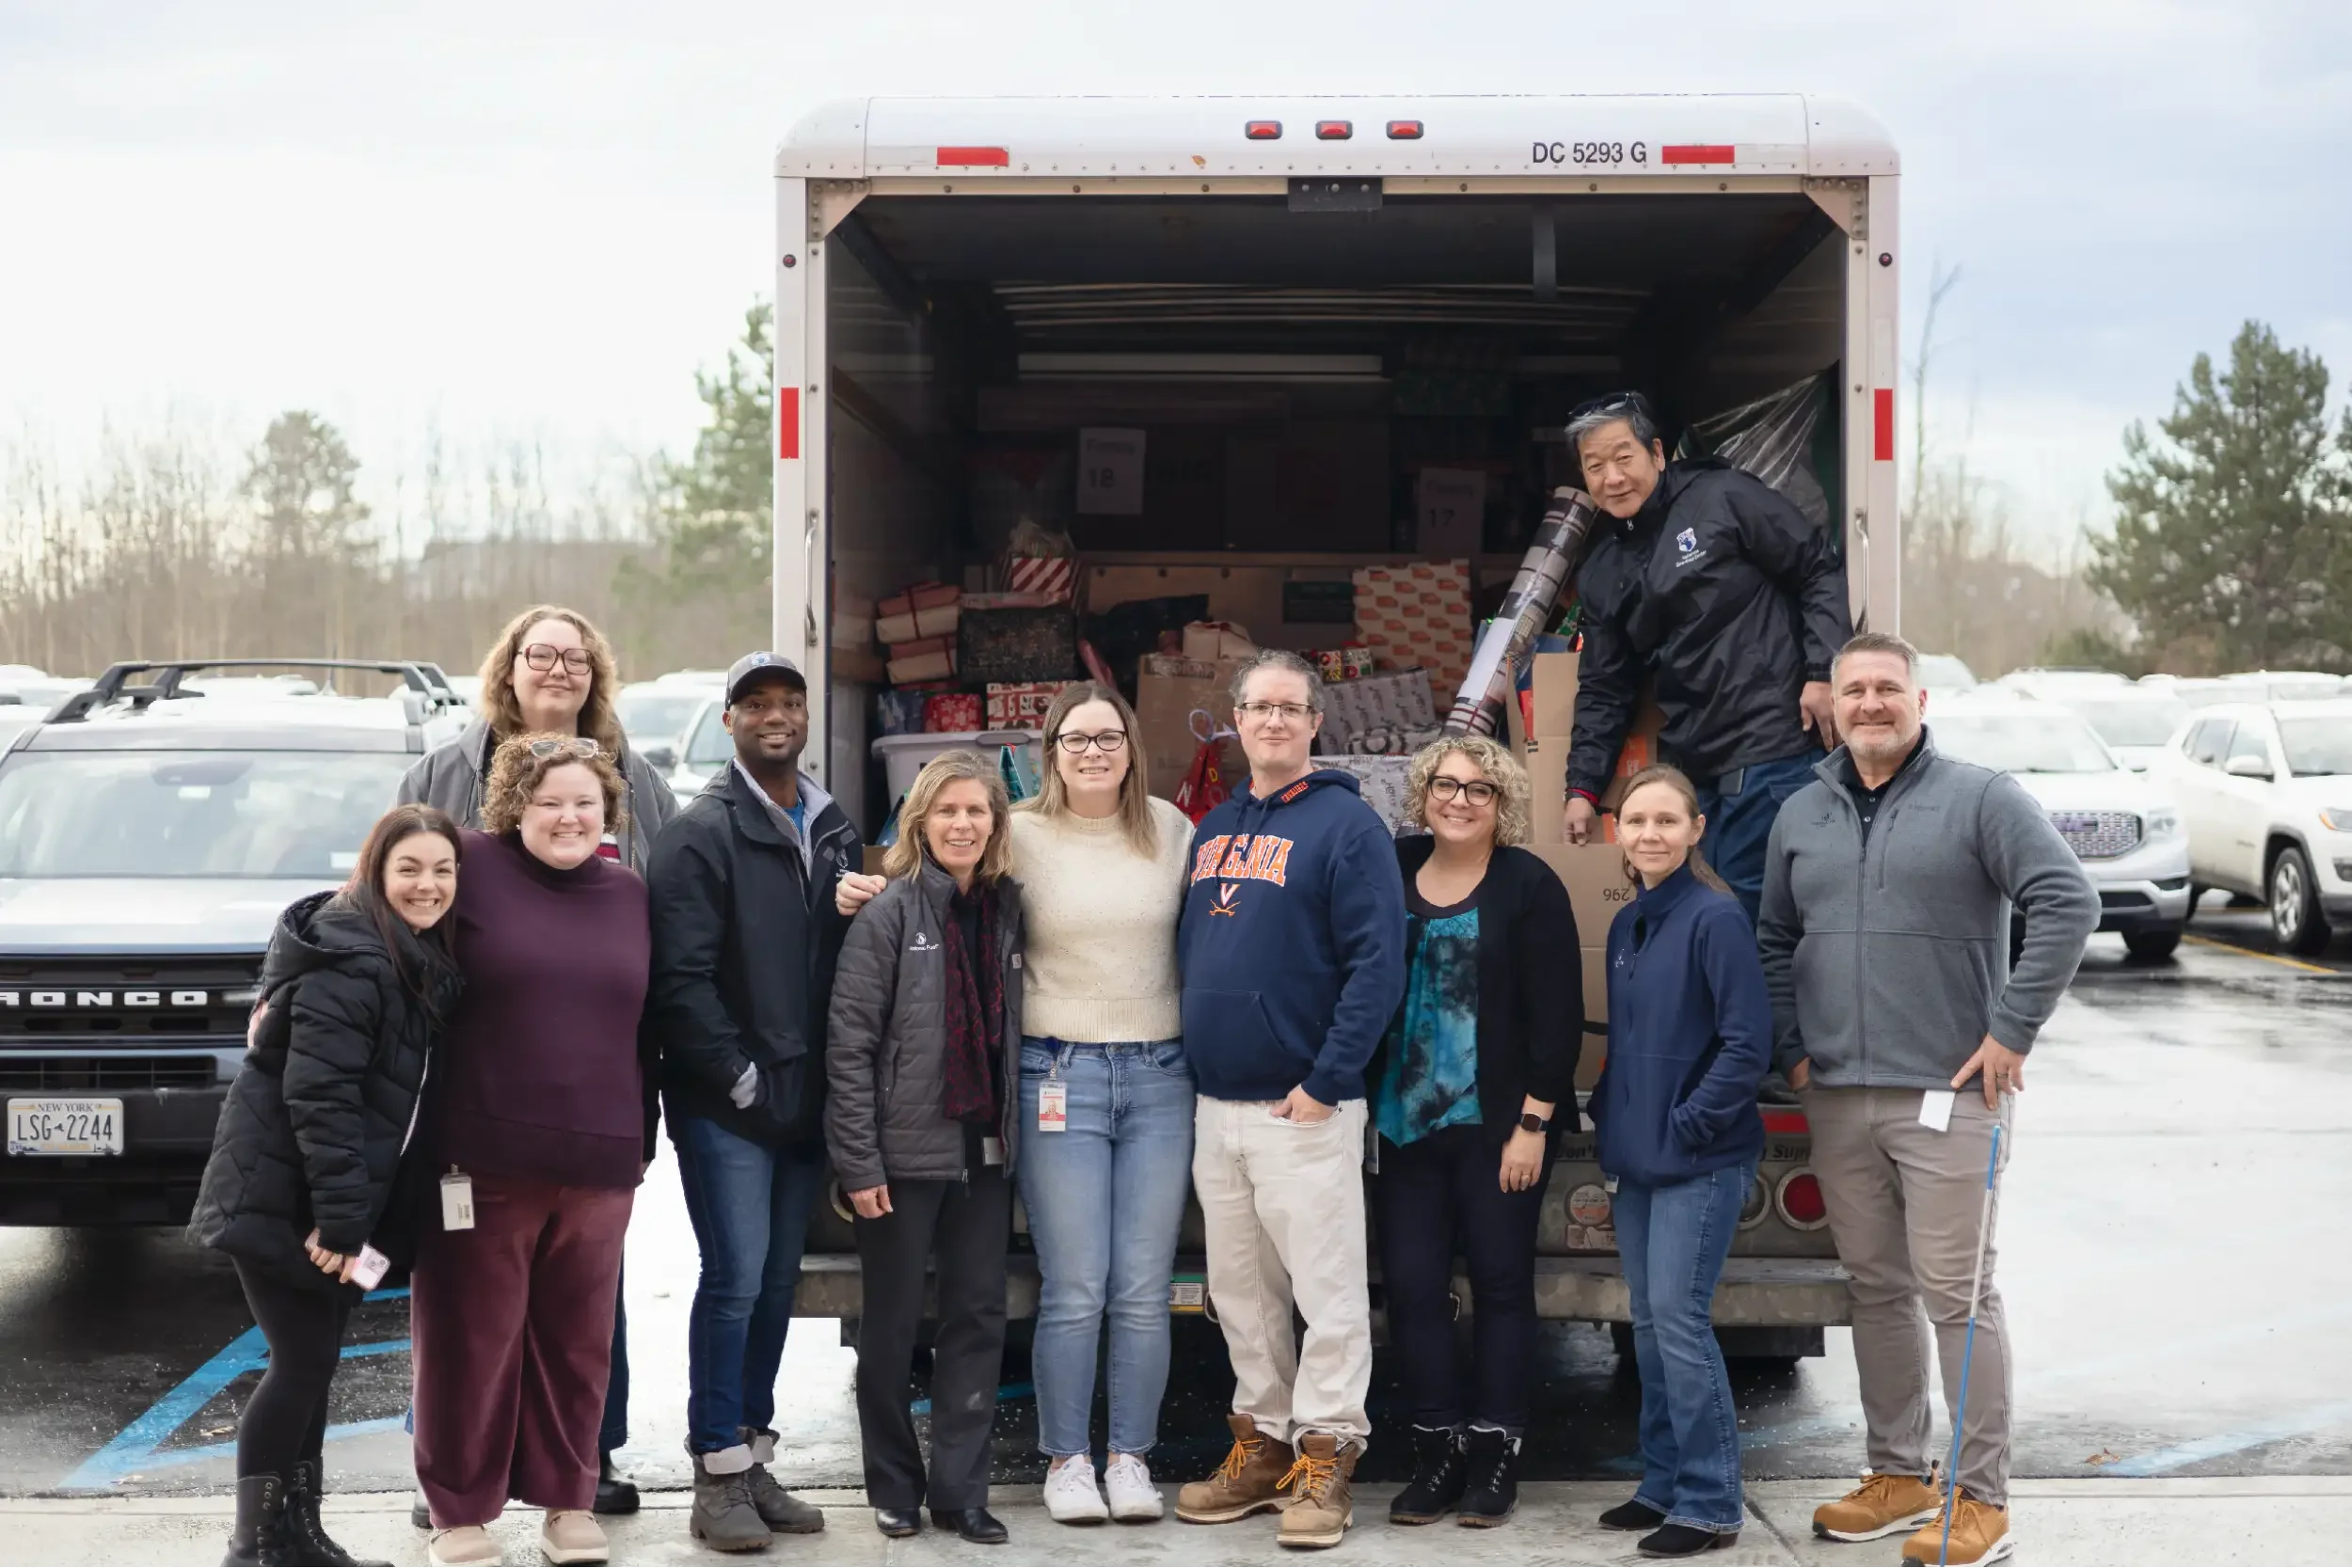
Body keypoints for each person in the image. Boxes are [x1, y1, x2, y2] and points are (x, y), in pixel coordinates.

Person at [1757, 632, 2098, 1568]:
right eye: (1853, 688)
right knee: (1876, 1288)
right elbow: (1772, 939)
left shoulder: (1980, 798)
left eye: (1887, 688)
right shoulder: (1800, 812)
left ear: (1919, 701)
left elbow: (2067, 900)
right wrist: (1793, 1052)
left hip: (1950, 1092)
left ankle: (1981, 1497)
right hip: (1836, 1094)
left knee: (1957, 1295)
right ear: (1829, 703)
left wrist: (2011, 1029)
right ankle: (1897, 1474)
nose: (1869, 702)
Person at [834, 686, 1198, 1526]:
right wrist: (859, 886)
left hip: (1152, 1076)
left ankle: (1126, 1459)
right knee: (1069, 1286)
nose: (1094, 751)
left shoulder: (1172, 828)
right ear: (1049, 748)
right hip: (1050, 1074)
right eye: (1076, 737)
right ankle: (1063, 1460)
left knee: (1136, 1288)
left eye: (1109, 736)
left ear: (1131, 745)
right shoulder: (1016, 833)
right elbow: (918, 883)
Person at [398, 605, 676, 1520]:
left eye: (573, 657)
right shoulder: (447, 770)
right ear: (506, 670)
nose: (556, 670)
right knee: (471, 1309)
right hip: (483, 1101)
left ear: (594, 675)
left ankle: (584, 1466)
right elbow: (386, 895)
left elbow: (672, 915)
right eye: (538, 655)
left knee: (585, 1311)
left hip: (595, 1107)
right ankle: (454, 1484)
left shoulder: (635, 776)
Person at [187, 805, 466, 1568]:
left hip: (317, 1201)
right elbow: (323, 1099)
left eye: (443, 869)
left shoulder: (404, 954)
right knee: (300, 1362)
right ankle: (254, 1547)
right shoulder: (358, 962)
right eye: (409, 867)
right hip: (286, 1202)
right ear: (375, 872)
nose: (428, 884)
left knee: (312, 1362)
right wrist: (342, 1226)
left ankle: (296, 1537)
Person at [1173, 649, 1406, 1553]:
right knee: (1240, 1294)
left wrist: (1327, 1079)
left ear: (1316, 721)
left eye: (1290, 708)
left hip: (1302, 1106)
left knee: (1327, 1291)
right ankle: (1262, 1444)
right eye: (1257, 708)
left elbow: (1377, 966)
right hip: (1216, 1107)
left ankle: (1327, 1454)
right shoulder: (1214, 828)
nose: (1272, 722)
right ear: (1234, 720)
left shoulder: (1350, 827)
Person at [646, 652, 861, 1551]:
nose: (776, 716)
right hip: (730, 1104)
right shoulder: (702, 832)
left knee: (777, 1283)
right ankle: (714, 1473)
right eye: (756, 704)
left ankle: (751, 1456)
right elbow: (681, 982)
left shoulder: (833, 825)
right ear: (728, 721)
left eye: (790, 703)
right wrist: (740, 1076)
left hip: (804, 1102)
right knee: (733, 1280)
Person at [1371, 736, 1581, 1530]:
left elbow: (1557, 1021)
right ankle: (1436, 1450)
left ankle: (1496, 1449)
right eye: (1446, 785)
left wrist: (1533, 1123)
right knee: (1416, 1290)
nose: (1459, 800)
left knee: (1498, 1285)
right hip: (1404, 1125)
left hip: (1500, 1128)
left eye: (1479, 789)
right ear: (1423, 791)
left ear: (1503, 804)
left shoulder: (1529, 884)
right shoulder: (1392, 868)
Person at [826, 751, 1025, 1546]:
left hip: (986, 1149)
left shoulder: (1009, 909)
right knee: (895, 1322)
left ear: (996, 824)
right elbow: (850, 1045)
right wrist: (859, 1162)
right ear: (920, 823)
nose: (963, 823)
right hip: (901, 1155)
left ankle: (960, 1490)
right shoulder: (887, 914)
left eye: (977, 811)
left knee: (978, 1317)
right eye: (947, 811)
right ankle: (895, 1487)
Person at [1557, 391, 1852, 925]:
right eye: (1594, 466)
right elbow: (1604, 686)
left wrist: (1823, 672)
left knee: (1755, 918)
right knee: (1701, 911)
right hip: (1694, 766)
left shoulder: (1722, 496)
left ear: (1657, 452)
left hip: (1774, 747)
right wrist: (1581, 787)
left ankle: (1765, 1013)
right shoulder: (1602, 569)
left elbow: (1817, 570)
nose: (1612, 477)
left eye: (1623, 458)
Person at [1586, 767, 1772, 1559]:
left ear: (1696, 830)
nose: (1651, 833)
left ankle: (1708, 1501)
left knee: (1683, 1324)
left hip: (1699, 1158)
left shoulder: (1714, 918)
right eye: (1637, 820)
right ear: (1616, 833)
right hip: (1637, 1157)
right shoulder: (1631, 922)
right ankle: (1662, 1480)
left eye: (1668, 820)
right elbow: (1630, 1041)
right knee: (1651, 1325)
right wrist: (1608, 1109)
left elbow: (1746, 1044)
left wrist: (1691, 1120)